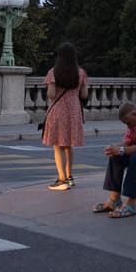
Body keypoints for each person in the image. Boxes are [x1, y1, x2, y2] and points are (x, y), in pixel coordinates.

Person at [42, 42, 88, 191]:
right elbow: (84, 95)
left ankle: (61, 179)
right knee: (68, 145)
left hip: (58, 112)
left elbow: (51, 95)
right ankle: (69, 177)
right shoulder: (81, 73)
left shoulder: (53, 72)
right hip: (74, 112)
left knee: (58, 146)